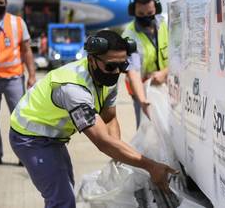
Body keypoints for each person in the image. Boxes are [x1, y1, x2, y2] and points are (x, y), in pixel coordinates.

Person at [9, 30, 177, 208]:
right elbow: (102, 142)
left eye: (123, 65)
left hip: (54, 137)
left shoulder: (106, 78)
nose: (118, 72)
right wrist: (150, 166)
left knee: (65, 189)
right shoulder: (73, 89)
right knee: (62, 200)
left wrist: (118, 151)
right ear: (91, 60)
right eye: (112, 66)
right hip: (31, 136)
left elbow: (109, 117)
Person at [0, 0, 36, 167]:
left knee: (20, 117)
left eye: (1, 2)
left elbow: (27, 50)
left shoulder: (17, 22)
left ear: (6, 4)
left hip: (13, 79)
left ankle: (23, 154)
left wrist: (31, 75)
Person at [122, 0, 169, 128]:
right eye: (141, 14)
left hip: (167, 85)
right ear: (133, 11)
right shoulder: (130, 36)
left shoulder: (165, 25)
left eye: (149, 13)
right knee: (146, 129)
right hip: (142, 90)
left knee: (168, 127)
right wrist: (143, 101)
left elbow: (179, 55)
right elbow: (133, 71)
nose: (146, 18)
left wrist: (164, 73)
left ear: (156, 9)